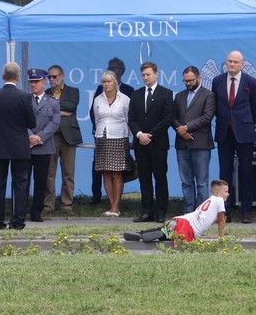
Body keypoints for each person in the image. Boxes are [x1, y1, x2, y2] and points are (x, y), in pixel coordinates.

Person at [0, 62, 36, 230]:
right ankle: (18, 221)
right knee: (20, 184)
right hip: (19, 145)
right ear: (18, 77)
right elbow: (31, 122)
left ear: (2, 76)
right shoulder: (25, 96)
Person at [211, 51, 256, 223]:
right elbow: (215, 105)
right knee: (224, 173)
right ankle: (225, 211)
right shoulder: (217, 81)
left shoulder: (251, 82)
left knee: (246, 172)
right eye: (229, 61)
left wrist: (244, 122)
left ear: (242, 64)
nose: (232, 64)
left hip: (244, 133)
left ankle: (246, 211)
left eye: (235, 62)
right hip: (224, 132)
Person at [128, 61, 174, 223]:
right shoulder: (136, 94)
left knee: (160, 178)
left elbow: (167, 119)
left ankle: (161, 212)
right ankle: (147, 211)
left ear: (156, 74)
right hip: (140, 144)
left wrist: (150, 135)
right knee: (144, 178)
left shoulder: (166, 94)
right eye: (143, 75)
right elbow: (131, 118)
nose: (145, 77)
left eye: (148, 74)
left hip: (158, 144)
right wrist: (140, 134)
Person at [123, 180, 228, 245]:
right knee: (181, 244)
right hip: (189, 228)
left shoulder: (210, 200)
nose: (227, 194)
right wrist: (221, 237)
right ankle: (162, 235)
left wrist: (214, 220)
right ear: (218, 192)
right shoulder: (219, 200)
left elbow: (207, 218)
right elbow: (222, 220)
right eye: (226, 191)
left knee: (164, 230)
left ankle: (140, 234)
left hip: (181, 220)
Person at [90, 57, 134, 204]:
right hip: (102, 137)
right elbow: (94, 116)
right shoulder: (98, 95)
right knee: (105, 173)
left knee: (117, 173)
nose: (106, 83)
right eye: (109, 67)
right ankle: (106, 202)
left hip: (119, 137)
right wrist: (99, 130)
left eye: (115, 68)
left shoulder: (128, 93)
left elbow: (130, 118)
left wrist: (129, 136)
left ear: (121, 71)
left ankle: (116, 206)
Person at [172, 65, 215, 213]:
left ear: (198, 78)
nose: (188, 83)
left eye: (191, 80)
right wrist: (181, 130)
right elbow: (172, 117)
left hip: (201, 144)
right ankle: (188, 212)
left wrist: (187, 127)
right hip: (182, 144)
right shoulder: (179, 96)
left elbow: (207, 117)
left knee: (202, 183)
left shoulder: (208, 95)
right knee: (186, 182)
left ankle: (201, 213)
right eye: (185, 81)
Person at [45, 64, 81, 215]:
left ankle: (67, 205)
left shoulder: (73, 91)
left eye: (54, 76)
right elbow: (45, 112)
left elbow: (71, 107)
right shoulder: (45, 93)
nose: (52, 79)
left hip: (68, 138)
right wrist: (60, 112)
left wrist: (54, 108)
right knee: (49, 173)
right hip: (51, 137)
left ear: (62, 76)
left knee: (68, 173)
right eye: (49, 77)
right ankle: (48, 205)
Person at [26, 68, 60, 222]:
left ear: (44, 83)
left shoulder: (52, 102)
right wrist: (30, 136)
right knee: (23, 180)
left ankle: (36, 211)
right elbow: (20, 120)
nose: (33, 85)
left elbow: (55, 123)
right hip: (26, 146)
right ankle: (20, 209)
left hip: (44, 146)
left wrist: (39, 137)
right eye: (31, 82)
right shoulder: (24, 100)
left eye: (36, 82)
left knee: (41, 181)